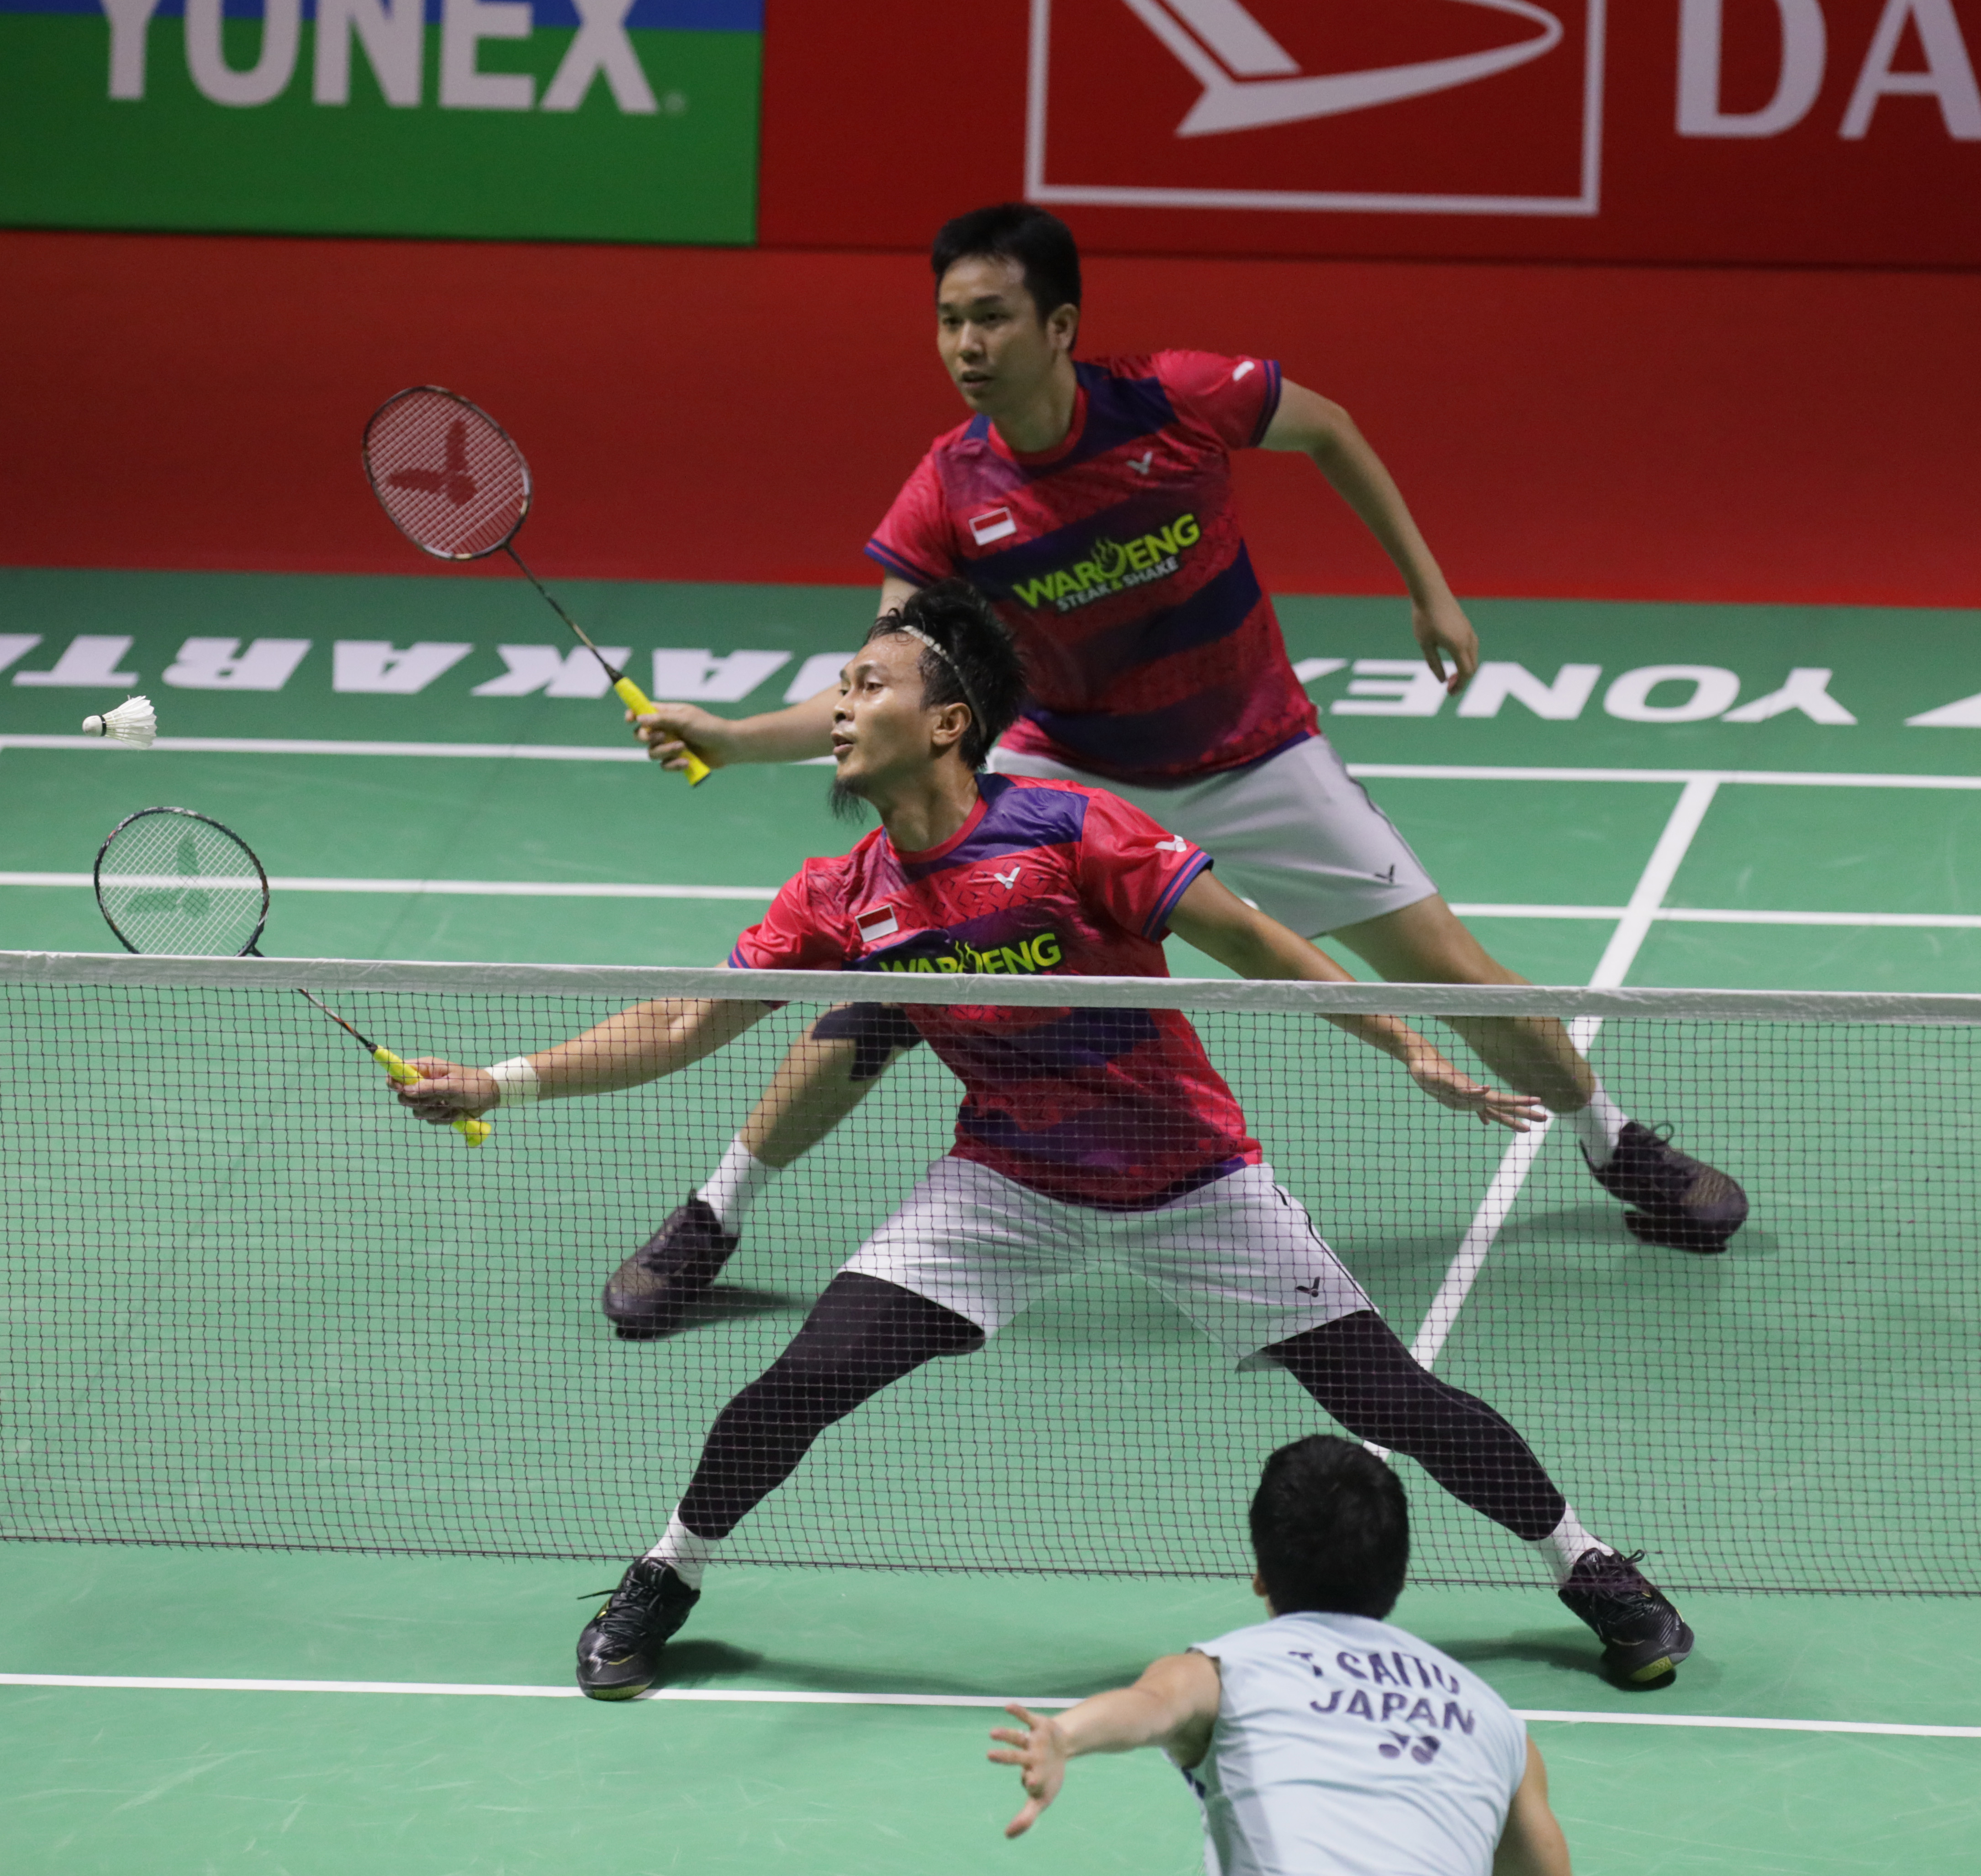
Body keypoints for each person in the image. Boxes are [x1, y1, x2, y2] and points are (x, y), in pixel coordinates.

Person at [398, 583, 1692, 1700]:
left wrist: (1403, 1043)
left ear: (948, 722)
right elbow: (686, 1020)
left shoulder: (1073, 833)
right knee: (802, 1378)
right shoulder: (841, 894)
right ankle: (666, 1574)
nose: (838, 708)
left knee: (1389, 1399)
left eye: (866, 684)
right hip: (1006, 1179)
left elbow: (1258, 942)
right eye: (838, 687)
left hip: (1191, 1179)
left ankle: (1589, 1564)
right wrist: (499, 1084)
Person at [611, 202, 1743, 1342]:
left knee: (1444, 967)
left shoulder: (1179, 399)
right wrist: (739, 734)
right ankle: (714, 1213)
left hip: (1259, 749)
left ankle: (1613, 1137)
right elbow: (881, 687)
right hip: (1073, 766)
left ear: (1058, 325)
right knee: (884, 996)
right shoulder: (948, 490)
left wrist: (1427, 585)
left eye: (991, 318)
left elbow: (1333, 429)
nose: (966, 345)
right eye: (950, 320)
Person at [988, 1436, 1573, 1876]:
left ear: (1262, 1577)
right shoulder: (1495, 1721)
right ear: (1397, 1575)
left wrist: (1066, 1735)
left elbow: (1152, 1706)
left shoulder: (1229, 1668)